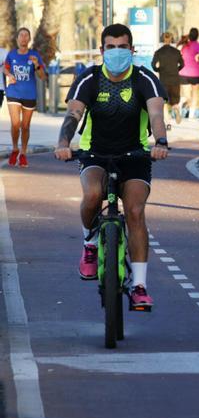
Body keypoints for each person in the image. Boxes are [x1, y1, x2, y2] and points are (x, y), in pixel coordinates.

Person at [54, 23, 170, 310]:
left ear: (132, 50)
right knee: (93, 195)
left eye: (122, 47)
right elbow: (73, 114)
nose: (116, 52)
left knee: (135, 211)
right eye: (111, 47)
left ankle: (139, 285)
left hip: (135, 155)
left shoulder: (145, 79)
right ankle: (90, 244)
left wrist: (161, 142)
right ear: (102, 50)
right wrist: (63, 143)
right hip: (96, 153)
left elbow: (156, 114)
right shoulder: (89, 78)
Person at [3, 28, 46, 168]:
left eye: (26, 35)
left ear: (29, 39)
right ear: (17, 39)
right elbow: (5, 68)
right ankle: (15, 148)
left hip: (29, 94)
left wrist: (36, 65)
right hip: (13, 92)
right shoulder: (11, 54)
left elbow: (42, 76)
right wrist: (9, 75)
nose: (23, 38)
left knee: (25, 126)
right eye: (20, 35)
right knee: (15, 124)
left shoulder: (34, 55)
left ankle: (23, 153)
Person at [152, 32, 184, 129]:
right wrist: (176, 70)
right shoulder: (176, 52)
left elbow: (153, 65)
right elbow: (182, 64)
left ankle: (168, 124)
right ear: (171, 39)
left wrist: (159, 70)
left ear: (163, 39)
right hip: (175, 79)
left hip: (163, 80)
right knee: (174, 101)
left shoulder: (158, 52)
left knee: (164, 103)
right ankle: (176, 109)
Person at [178, 28, 199, 119]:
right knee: (195, 94)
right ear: (197, 36)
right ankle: (191, 116)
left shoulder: (184, 46)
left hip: (183, 72)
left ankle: (180, 103)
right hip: (195, 73)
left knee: (185, 95)